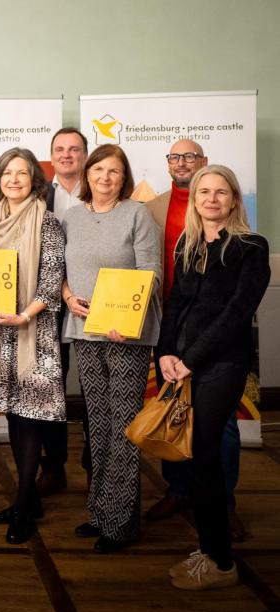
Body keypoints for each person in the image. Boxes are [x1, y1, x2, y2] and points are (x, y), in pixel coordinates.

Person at [158, 165, 269, 590]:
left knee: (204, 455)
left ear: (234, 199)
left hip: (222, 365)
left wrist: (191, 359)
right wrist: (166, 351)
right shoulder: (188, 244)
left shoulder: (250, 247)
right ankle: (209, 548)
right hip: (182, 362)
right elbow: (176, 304)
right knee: (195, 459)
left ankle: (221, 562)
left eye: (221, 192)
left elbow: (236, 315)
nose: (211, 198)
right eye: (204, 191)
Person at [144, 142, 247, 542]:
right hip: (170, 324)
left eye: (190, 157)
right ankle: (179, 490)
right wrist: (168, 346)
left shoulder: (235, 229)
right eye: (174, 157)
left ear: (204, 164)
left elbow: (236, 302)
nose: (181, 162)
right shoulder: (153, 207)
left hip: (216, 339)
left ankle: (225, 505)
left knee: (219, 427)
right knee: (173, 414)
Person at [62, 144, 161, 553]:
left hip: (125, 336)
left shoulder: (137, 214)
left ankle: (122, 523)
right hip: (85, 332)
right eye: (98, 169)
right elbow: (61, 271)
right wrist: (67, 296)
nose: (105, 177)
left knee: (123, 427)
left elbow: (151, 273)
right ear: (87, 174)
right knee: (97, 424)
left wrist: (128, 317)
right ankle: (101, 510)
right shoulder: (71, 217)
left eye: (114, 171)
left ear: (125, 177)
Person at [0, 148, 66, 545]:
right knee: (12, 415)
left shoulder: (49, 221)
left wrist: (25, 315)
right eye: (7, 173)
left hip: (32, 334)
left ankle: (24, 506)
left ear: (34, 179)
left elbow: (52, 278)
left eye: (22, 174)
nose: (14, 180)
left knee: (29, 421)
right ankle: (27, 499)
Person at [38, 127, 89, 498]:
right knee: (52, 386)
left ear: (86, 155)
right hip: (49, 304)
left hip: (92, 303)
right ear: (51, 156)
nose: (67, 155)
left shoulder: (101, 189)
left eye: (74, 149)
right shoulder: (39, 193)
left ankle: (95, 465)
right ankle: (53, 466)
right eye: (60, 149)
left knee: (92, 388)